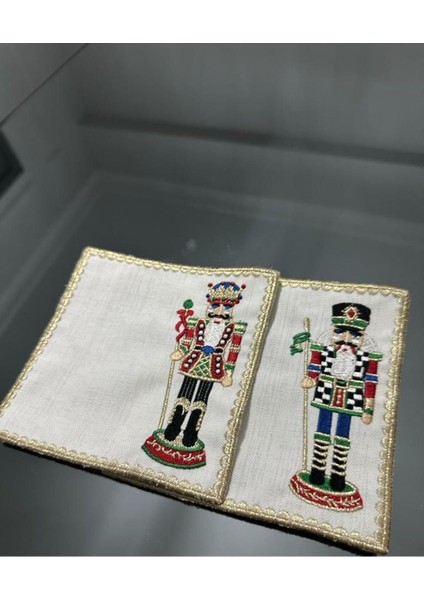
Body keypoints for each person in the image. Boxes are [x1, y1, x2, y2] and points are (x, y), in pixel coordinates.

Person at [301, 303, 383, 491]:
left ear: (362, 336)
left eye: (354, 335)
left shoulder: (367, 357)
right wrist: (310, 378)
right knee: (322, 432)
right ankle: (317, 472)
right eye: (340, 332)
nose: (346, 340)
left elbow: (371, 381)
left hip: (352, 396)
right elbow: (315, 365)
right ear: (333, 332)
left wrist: (368, 409)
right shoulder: (326, 350)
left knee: (342, 435)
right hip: (326, 391)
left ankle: (338, 476)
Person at [164, 281, 247, 447]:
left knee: (201, 399)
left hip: (214, 365)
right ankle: (172, 429)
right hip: (194, 361)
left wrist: (228, 373)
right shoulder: (197, 323)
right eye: (215, 306)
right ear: (209, 306)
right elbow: (187, 340)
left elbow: (234, 351)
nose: (219, 311)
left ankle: (190, 434)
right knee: (184, 395)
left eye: (226, 308)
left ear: (232, 310)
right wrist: (180, 351)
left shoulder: (234, 328)